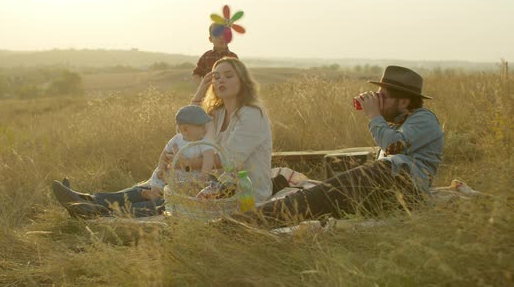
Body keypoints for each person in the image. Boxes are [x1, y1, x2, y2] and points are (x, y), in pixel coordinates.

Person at [242, 65, 444, 227]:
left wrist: (374, 115)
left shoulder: (424, 119)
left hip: (403, 185)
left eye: (383, 97)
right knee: (315, 200)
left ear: (404, 101)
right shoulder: (401, 123)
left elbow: (393, 147)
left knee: (316, 198)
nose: (378, 101)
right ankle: (246, 222)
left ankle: (243, 223)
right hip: (390, 187)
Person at [52, 105, 215, 218]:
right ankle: (86, 199)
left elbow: (209, 159)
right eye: (201, 126)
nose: (205, 129)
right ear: (185, 129)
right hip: (169, 182)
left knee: (160, 203)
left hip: (186, 189)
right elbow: (164, 155)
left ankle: (97, 211)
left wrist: (203, 176)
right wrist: (160, 168)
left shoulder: (203, 144)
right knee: (140, 193)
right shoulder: (177, 140)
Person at [187, 57, 273, 202]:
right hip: (222, 190)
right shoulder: (217, 113)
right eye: (216, 77)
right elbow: (186, 131)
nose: (221, 80)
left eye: (228, 76)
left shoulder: (252, 114)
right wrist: (200, 91)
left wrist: (189, 163)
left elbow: (228, 160)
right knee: (157, 194)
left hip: (250, 197)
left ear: (243, 81)